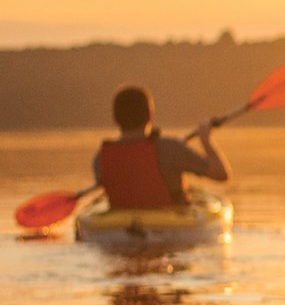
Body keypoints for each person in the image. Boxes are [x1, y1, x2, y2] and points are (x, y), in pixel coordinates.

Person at [91, 84, 230, 210]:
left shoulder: (100, 158)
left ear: (115, 120)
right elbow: (221, 174)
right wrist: (205, 139)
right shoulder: (170, 148)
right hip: (172, 224)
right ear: (150, 116)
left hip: (118, 228)